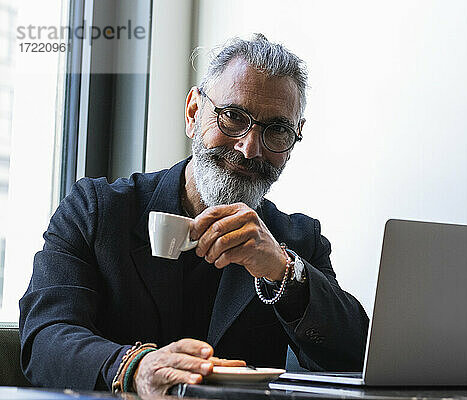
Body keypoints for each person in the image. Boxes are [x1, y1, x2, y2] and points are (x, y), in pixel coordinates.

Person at [19, 34, 368, 396]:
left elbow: (355, 359)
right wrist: (134, 368)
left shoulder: (296, 241)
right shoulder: (95, 209)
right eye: (233, 116)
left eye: (277, 130)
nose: (249, 148)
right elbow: (44, 338)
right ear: (193, 113)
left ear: (293, 142)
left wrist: (284, 271)